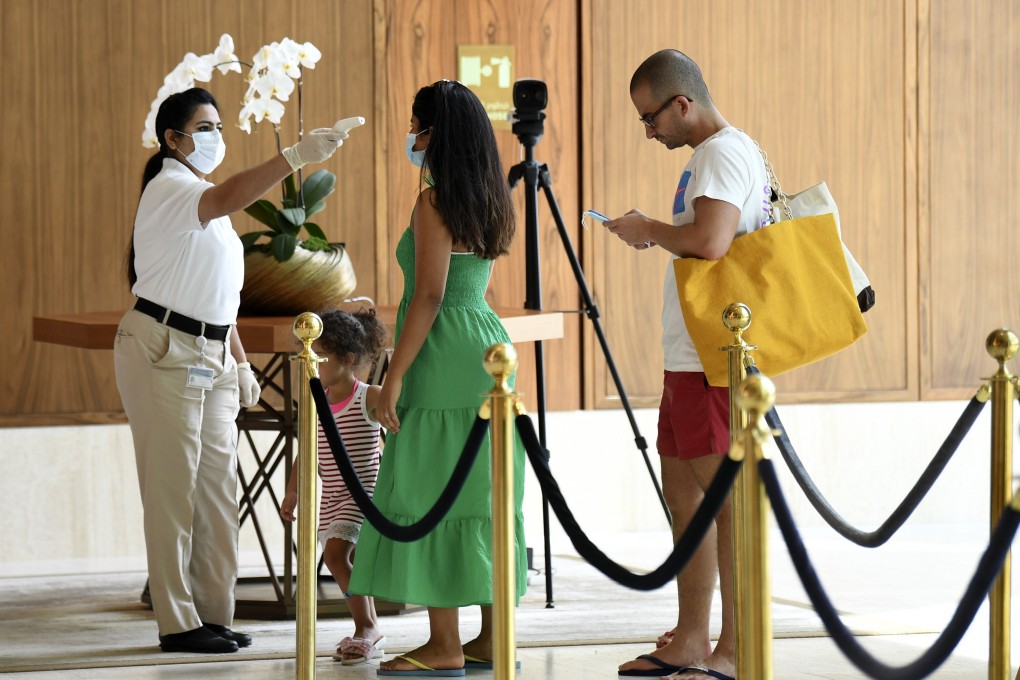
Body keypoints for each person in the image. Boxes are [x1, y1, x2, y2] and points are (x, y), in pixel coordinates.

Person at [114, 87, 346, 654]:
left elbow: (219, 299)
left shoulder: (205, 207)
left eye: (220, 126)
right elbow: (228, 196)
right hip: (163, 349)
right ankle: (176, 621)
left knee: (217, 491)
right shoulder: (170, 188)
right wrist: (294, 156)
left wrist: (239, 362)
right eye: (204, 127)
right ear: (173, 138)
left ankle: (212, 613)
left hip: (213, 354)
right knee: (172, 493)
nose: (216, 136)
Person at [347, 80, 527, 676]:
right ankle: (492, 636)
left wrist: (392, 376)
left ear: (436, 134)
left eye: (418, 126)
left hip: (442, 352)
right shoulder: (492, 197)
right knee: (483, 492)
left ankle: (444, 643)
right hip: (486, 343)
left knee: (430, 489)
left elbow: (427, 295)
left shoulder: (434, 200)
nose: (413, 137)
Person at [606, 50, 769, 680]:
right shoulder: (712, 157)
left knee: (726, 506)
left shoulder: (722, 154)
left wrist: (648, 227)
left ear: (683, 103)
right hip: (691, 356)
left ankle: (736, 645)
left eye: (651, 118)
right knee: (686, 496)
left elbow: (710, 240)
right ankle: (694, 638)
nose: (648, 131)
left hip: (715, 360)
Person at [280, 308, 388, 664]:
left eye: (322, 358)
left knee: (335, 556)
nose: (315, 365)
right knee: (346, 560)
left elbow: (399, 414)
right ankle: (369, 627)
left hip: (363, 495)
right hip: (331, 498)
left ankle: (367, 627)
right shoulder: (317, 401)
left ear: (348, 359)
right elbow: (307, 451)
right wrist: (294, 492)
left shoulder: (367, 396)